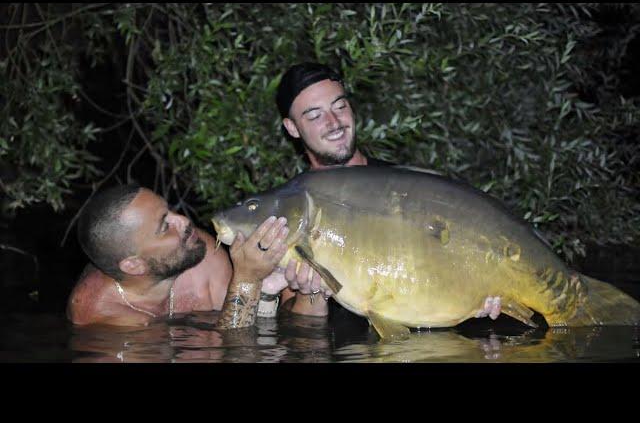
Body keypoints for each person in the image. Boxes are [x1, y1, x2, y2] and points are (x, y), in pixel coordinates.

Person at [275, 62, 502, 320]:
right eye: (315, 115)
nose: (334, 122)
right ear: (292, 128)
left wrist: (477, 291)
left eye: (340, 106)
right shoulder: (295, 208)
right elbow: (297, 336)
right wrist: (310, 294)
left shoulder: (410, 187)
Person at [67, 184, 294, 328]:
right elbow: (235, 351)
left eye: (170, 210)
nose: (184, 221)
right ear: (134, 265)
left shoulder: (199, 252)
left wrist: (264, 289)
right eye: (165, 226)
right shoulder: (103, 319)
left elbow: (249, 330)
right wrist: (246, 280)